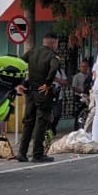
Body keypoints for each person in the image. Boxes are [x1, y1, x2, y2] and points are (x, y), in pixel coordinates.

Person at [17, 32, 62, 162]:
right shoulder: (52, 56)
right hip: (43, 93)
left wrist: (20, 83)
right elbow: (53, 69)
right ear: (54, 43)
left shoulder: (32, 52)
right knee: (41, 123)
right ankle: (37, 153)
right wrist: (47, 83)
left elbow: (19, 64)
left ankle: (22, 152)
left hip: (30, 91)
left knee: (28, 122)